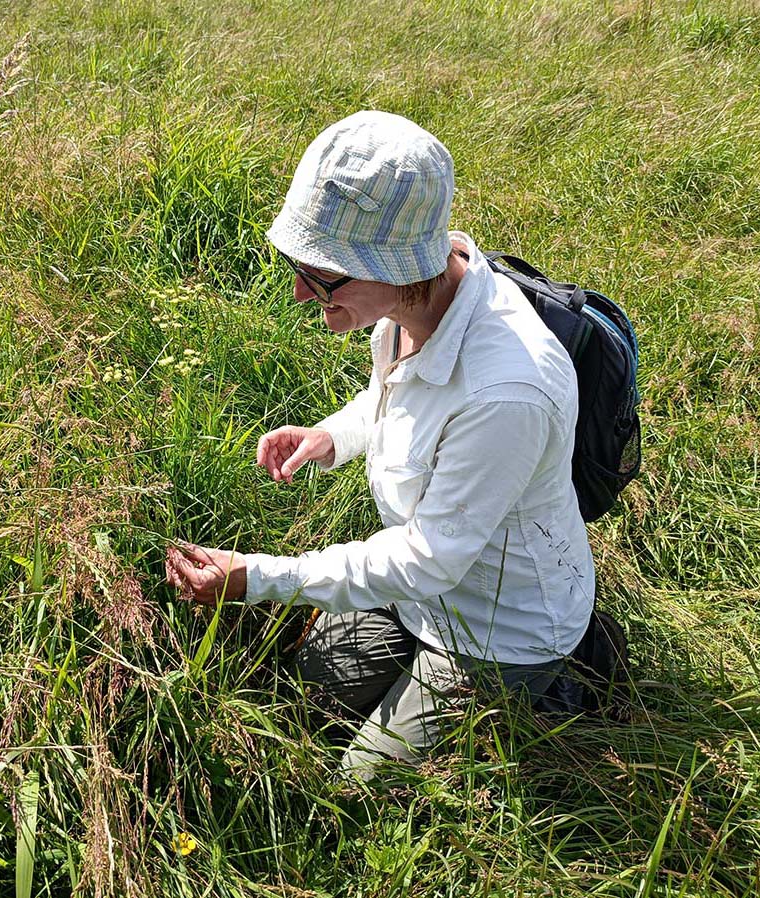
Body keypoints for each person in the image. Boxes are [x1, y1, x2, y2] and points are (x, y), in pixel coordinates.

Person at [166, 110, 595, 780]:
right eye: (299, 264)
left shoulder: (507, 392)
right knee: (308, 694)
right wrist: (330, 436)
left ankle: (557, 687)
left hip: (499, 629)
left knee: (360, 788)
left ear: (396, 265)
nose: (303, 291)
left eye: (325, 275)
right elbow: (394, 398)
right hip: (422, 593)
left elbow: (426, 560)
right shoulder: (410, 308)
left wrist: (258, 578)